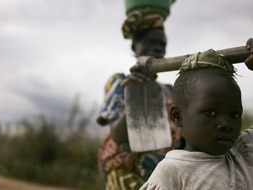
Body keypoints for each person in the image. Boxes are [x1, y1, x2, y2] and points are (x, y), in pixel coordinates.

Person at [140, 38, 253, 190]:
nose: (226, 124)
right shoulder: (171, 172)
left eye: (235, 115)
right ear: (177, 116)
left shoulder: (243, 153)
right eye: (211, 113)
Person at [96, 4, 183, 189]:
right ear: (135, 47)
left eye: (162, 45)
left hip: (166, 175)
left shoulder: (171, 90)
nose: (158, 49)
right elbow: (118, 136)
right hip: (127, 172)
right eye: (151, 42)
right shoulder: (120, 83)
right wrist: (137, 94)